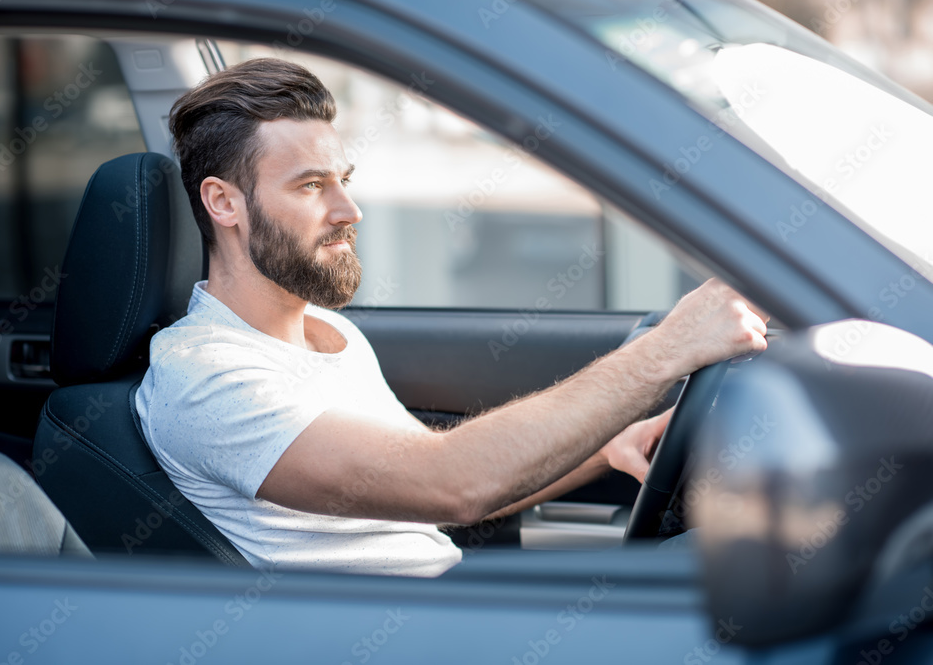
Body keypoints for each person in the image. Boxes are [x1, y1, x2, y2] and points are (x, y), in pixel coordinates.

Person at [136, 58, 769, 577]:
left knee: (730, 570)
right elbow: (451, 483)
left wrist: (608, 450)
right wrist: (668, 348)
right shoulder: (206, 380)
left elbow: (425, 500)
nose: (349, 209)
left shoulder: (329, 336)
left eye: (343, 180)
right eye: (310, 186)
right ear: (223, 202)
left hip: (450, 607)